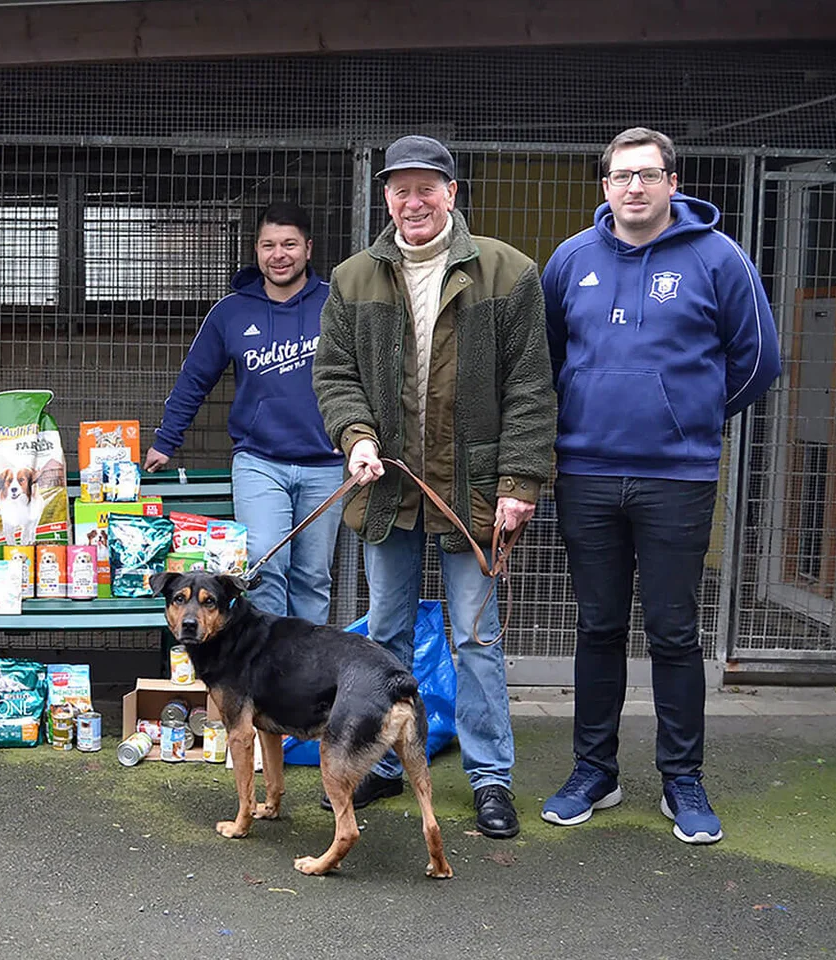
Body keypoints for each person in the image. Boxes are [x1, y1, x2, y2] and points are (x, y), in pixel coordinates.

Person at [539, 127, 781, 844]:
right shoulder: (571, 260)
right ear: (604, 186)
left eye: (647, 174)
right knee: (597, 626)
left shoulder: (718, 257)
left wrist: (691, 417)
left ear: (674, 181)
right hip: (584, 472)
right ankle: (595, 771)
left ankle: (684, 780)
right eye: (620, 176)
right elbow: (551, 356)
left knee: (674, 632)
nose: (633, 188)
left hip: (677, 475)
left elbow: (758, 359)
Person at [311, 135, 556, 840]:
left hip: (473, 490)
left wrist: (519, 481)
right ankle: (384, 764)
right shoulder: (354, 277)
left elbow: (532, 389)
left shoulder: (508, 274)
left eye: (427, 188)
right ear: (385, 197)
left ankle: (490, 779)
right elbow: (335, 376)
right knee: (383, 638)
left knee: (475, 636)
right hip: (387, 489)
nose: (412, 202)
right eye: (400, 190)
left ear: (452, 192)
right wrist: (356, 437)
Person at [145, 202, 347, 623]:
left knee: (313, 577)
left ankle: (307, 679)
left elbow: (364, 374)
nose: (279, 254)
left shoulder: (336, 304)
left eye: (289, 244)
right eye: (268, 245)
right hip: (260, 462)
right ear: (256, 251)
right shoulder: (232, 312)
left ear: (308, 249)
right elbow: (194, 379)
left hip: (326, 463)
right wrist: (166, 441)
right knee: (263, 568)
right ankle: (268, 676)